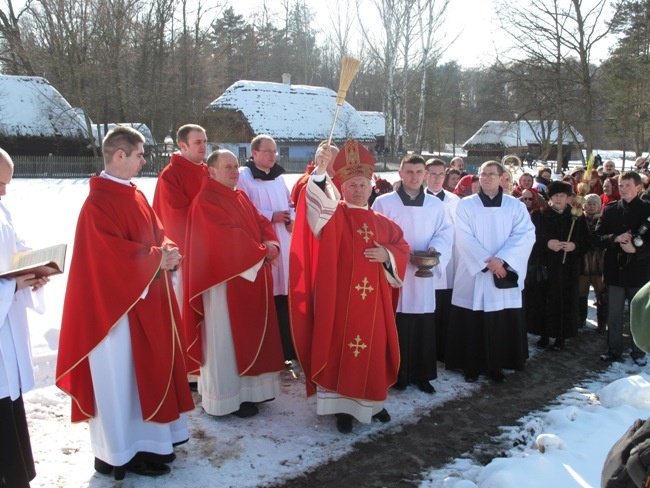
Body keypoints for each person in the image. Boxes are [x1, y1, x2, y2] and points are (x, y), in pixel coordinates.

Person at [56, 127, 194, 481]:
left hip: (145, 302)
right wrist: (155, 259)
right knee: (120, 382)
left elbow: (155, 232)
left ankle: (149, 446)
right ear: (119, 155)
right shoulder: (98, 203)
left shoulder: (133, 194)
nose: (144, 160)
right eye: (139, 154)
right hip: (113, 315)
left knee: (144, 375)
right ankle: (118, 454)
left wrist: (168, 250)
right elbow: (107, 258)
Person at [289, 140, 409, 434]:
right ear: (342, 187)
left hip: (374, 304)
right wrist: (319, 169)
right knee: (341, 346)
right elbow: (313, 204)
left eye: (363, 185)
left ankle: (373, 404)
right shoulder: (333, 216)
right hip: (341, 300)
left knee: (373, 347)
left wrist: (388, 255)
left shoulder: (382, 222)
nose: (358, 190)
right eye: (352, 185)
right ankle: (342, 408)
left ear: (372, 187)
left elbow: (402, 246)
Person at [182, 149, 284, 418]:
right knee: (225, 340)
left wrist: (271, 243)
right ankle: (225, 400)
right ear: (211, 171)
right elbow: (224, 238)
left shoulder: (239, 196)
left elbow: (261, 222)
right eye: (227, 167)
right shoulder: (206, 200)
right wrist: (262, 252)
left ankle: (251, 392)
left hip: (248, 277)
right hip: (222, 283)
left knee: (247, 335)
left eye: (236, 166)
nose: (233, 171)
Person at [445, 160, 535, 383]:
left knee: (499, 320)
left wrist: (502, 260)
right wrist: (488, 262)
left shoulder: (516, 207)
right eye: (483, 174)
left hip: (502, 272)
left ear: (502, 178)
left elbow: (525, 235)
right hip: (474, 272)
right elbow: (463, 237)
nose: (486, 178)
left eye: (491, 174)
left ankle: (497, 364)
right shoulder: (465, 205)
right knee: (472, 321)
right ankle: (470, 366)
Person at [372, 154, 453, 393]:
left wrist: (434, 249)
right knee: (396, 322)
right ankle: (397, 373)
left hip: (423, 273)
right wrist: (392, 255)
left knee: (423, 322)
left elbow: (446, 233)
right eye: (409, 172)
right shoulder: (384, 203)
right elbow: (375, 234)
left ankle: (422, 374)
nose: (414, 176)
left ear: (425, 175)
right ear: (400, 174)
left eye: (419, 172)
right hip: (394, 274)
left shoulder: (436, 205)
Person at [0, 148, 49, 488]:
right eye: (0, 183)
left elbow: (15, 248)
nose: (5, 192)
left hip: (8, 325)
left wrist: (34, 269)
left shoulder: (1, 209)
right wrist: (12, 285)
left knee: (9, 408)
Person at [237, 134, 296, 365]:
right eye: (268, 151)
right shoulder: (244, 177)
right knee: (268, 295)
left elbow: (289, 203)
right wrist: (270, 215)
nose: (273, 155)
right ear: (254, 153)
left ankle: (286, 351)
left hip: (284, 239)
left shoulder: (279, 178)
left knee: (284, 296)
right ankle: (267, 351)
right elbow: (242, 208)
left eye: (275, 151)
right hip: (263, 242)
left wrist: (291, 217)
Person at [595, 171, 650, 366]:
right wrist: (615, 239)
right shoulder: (610, 210)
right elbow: (597, 237)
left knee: (639, 313)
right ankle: (614, 349)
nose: (623, 189)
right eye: (621, 185)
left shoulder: (647, 211)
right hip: (615, 272)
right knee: (614, 313)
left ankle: (639, 350)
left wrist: (635, 250)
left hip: (639, 273)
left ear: (638, 187)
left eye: (628, 185)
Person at [152, 124, 207, 307]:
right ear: (183, 146)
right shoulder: (170, 175)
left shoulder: (209, 171)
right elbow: (176, 216)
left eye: (205, 142)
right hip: (187, 252)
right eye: (197, 142)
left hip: (210, 250)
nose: (203, 146)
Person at [534, 181, 590, 350]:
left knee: (564, 302)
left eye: (563, 196)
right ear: (550, 197)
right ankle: (543, 333)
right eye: (556, 196)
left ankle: (561, 336)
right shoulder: (540, 215)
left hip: (568, 268)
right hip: (546, 266)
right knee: (544, 301)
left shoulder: (577, 217)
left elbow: (587, 241)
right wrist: (546, 243)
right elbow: (531, 239)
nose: (559, 199)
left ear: (568, 198)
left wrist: (574, 246)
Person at [424, 158, 460, 362]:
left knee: (444, 305)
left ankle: (442, 349)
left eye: (440, 174)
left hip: (449, 261)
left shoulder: (454, 201)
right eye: (432, 174)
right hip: (420, 259)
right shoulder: (416, 199)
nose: (437, 179)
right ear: (425, 175)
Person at [579, 193, 607, 332]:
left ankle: (602, 322)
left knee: (601, 294)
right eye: (588, 204)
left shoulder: (603, 220)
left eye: (594, 204)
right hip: (583, 264)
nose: (591, 206)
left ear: (599, 205)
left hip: (598, 264)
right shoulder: (579, 219)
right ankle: (580, 319)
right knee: (581, 293)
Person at [290, 141, 339, 208]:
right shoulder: (305, 183)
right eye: (337, 159)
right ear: (324, 160)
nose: (340, 164)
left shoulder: (341, 181)